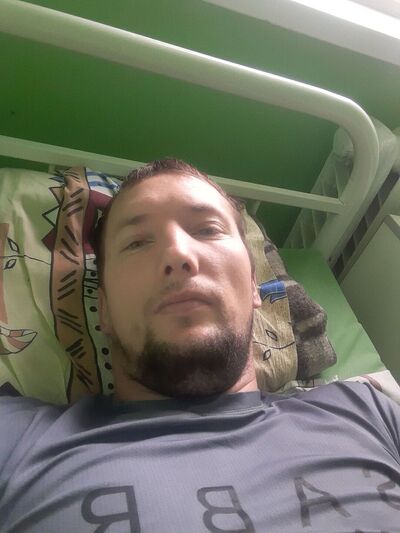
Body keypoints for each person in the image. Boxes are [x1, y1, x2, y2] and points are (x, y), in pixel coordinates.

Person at [0, 159, 399, 532]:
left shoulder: (367, 411)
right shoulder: (17, 440)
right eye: (136, 242)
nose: (178, 253)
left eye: (207, 229)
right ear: (103, 308)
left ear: (254, 287)